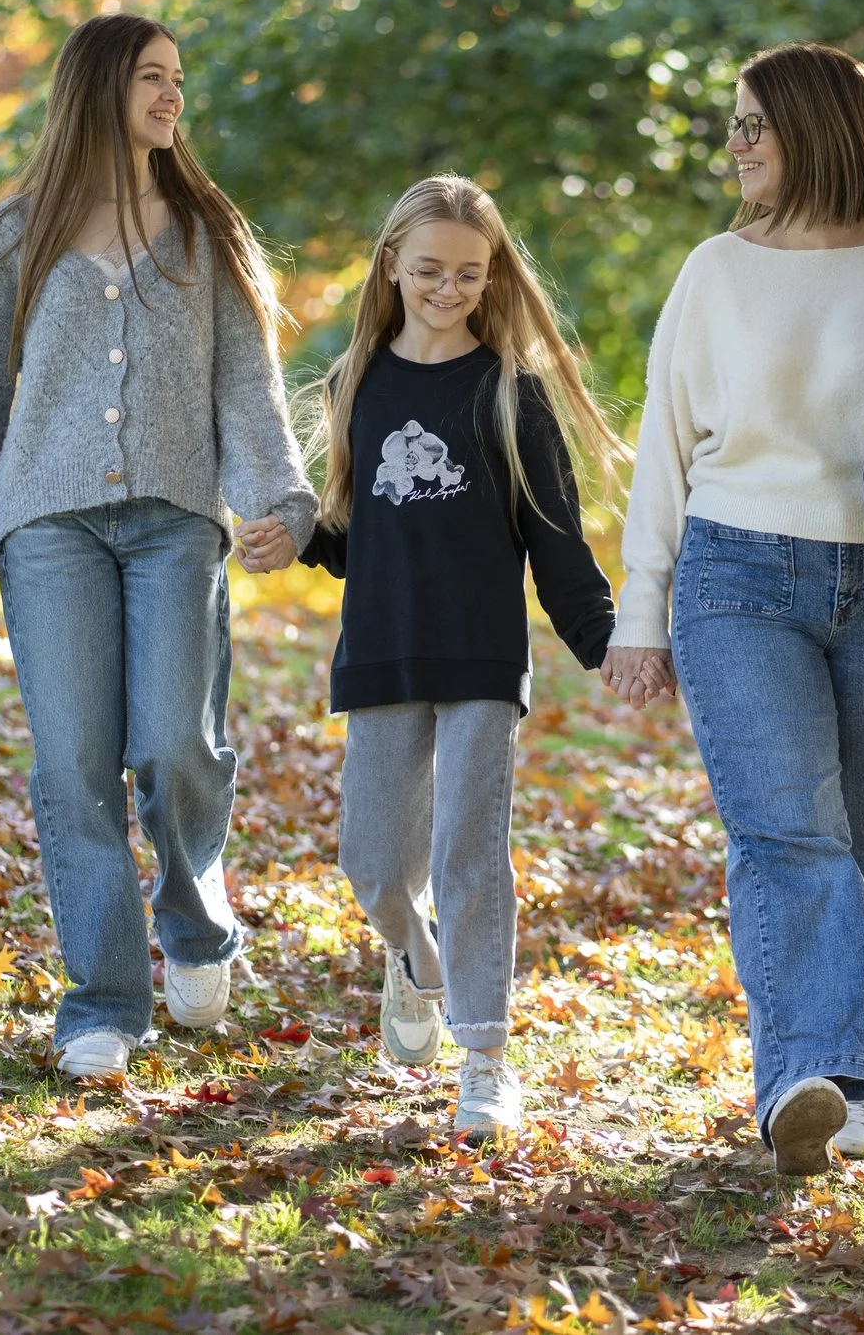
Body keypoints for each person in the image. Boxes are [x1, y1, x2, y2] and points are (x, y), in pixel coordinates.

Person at [0, 13, 314, 1082]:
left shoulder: (203, 229)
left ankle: (194, 920)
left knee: (177, 740)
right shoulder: (21, 229)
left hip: (177, 520)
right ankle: (101, 1000)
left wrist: (280, 500)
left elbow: (247, 390)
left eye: (180, 77)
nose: (173, 95)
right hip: (48, 530)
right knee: (73, 766)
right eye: (150, 77)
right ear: (97, 88)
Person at [601, 43, 864, 1174]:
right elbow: (664, 446)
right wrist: (638, 614)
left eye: (754, 123)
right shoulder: (714, 269)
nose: (736, 144)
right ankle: (807, 1074)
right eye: (735, 124)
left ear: (820, 128)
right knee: (786, 834)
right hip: (738, 576)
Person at [265, 174, 619, 1138]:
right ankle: (416, 958)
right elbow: (345, 536)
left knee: (470, 853)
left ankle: (486, 1057)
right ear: (391, 265)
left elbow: (556, 541)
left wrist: (609, 642)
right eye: (428, 269)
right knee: (373, 865)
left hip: (479, 660)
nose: (448, 288)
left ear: (491, 272)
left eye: (469, 272)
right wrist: (287, 535)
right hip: (380, 653)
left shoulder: (512, 394)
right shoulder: (356, 384)